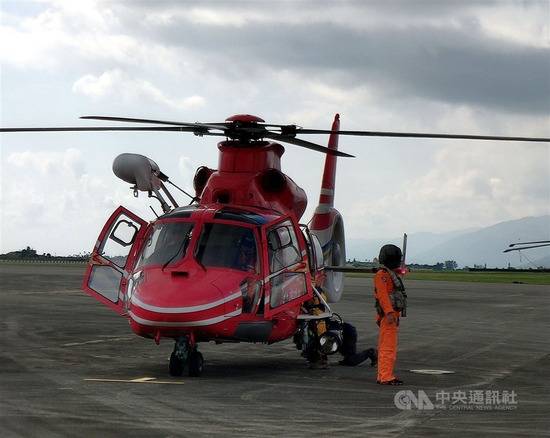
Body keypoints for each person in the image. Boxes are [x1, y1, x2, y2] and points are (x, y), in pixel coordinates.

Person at [374, 244, 407, 385]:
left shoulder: (388, 274)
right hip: (389, 316)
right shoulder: (382, 275)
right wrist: (389, 312)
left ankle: (383, 375)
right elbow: (383, 296)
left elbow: (401, 272)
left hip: (391, 316)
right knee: (388, 347)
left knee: (386, 347)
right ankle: (386, 376)